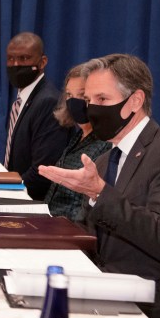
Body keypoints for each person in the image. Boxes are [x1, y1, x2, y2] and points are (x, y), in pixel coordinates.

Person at [39, 54, 160, 318]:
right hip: (111, 291)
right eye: (89, 100)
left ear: (135, 101)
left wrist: (99, 191)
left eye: (102, 100)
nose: (92, 109)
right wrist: (42, 231)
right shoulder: (108, 159)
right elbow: (97, 235)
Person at [3, 32, 68, 200]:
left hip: (31, 202)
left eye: (24, 59)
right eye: (11, 59)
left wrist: (4, 193)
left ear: (42, 62)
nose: (16, 65)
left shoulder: (48, 102)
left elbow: (43, 171)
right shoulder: (24, 98)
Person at [43, 64, 111, 222]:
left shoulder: (105, 142)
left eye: (81, 95)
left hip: (69, 230)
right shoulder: (78, 135)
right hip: (50, 220)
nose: (73, 102)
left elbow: (87, 206)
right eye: (69, 95)